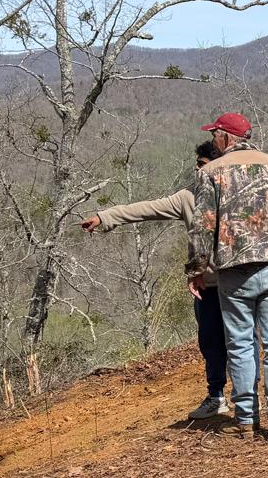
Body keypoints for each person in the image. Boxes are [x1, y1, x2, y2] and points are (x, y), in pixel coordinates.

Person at [80, 141, 231, 421]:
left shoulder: (237, 191)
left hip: (237, 283)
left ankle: (251, 401)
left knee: (241, 342)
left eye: (203, 165)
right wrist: (105, 217)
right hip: (208, 285)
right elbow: (147, 209)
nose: (198, 171)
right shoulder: (189, 196)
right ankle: (217, 397)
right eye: (197, 165)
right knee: (210, 343)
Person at [187, 112, 268, 444]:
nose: (214, 140)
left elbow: (203, 225)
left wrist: (197, 269)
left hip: (233, 271)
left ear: (227, 138)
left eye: (215, 135)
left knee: (240, 345)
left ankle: (245, 421)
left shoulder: (211, 173)